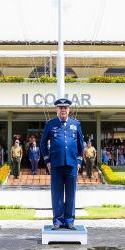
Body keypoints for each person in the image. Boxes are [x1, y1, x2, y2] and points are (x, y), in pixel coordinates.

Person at [40, 98, 84, 230]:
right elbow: (42, 144)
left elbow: (80, 145)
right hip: (56, 165)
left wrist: (79, 161)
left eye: (65, 108)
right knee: (57, 193)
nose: (63, 110)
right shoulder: (50, 124)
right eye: (60, 108)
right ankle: (58, 221)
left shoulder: (75, 124)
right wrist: (47, 160)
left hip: (71, 164)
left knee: (71, 193)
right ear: (57, 110)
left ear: (69, 110)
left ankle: (69, 220)